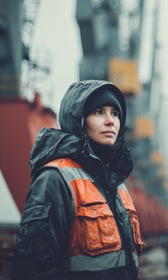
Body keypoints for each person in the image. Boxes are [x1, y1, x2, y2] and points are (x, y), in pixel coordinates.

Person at [12, 79, 144, 280]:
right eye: (99, 112)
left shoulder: (118, 185)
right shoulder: (55, 178)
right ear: (78, 120)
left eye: (115, 113)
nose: (110, 120)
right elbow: (34, 268)